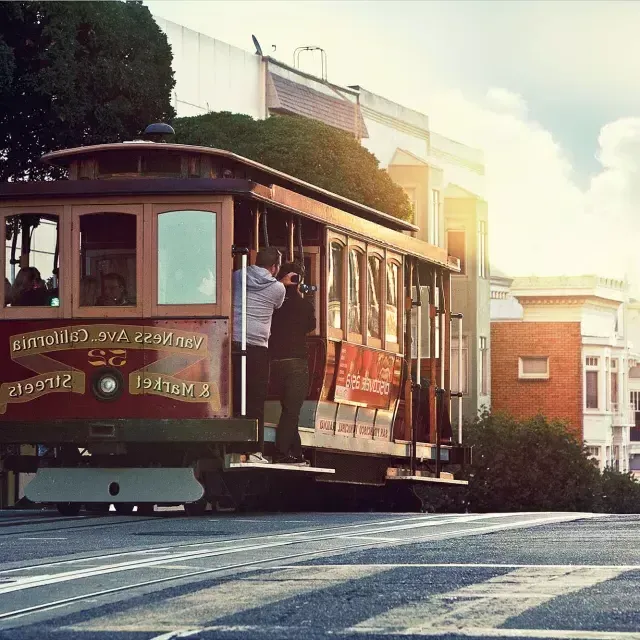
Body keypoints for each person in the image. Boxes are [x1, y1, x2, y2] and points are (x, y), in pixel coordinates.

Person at [232, 247, 296, 463]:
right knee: (255, 400)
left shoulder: (238, 276)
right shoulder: (278, 288)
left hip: (232, 342)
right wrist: (283, 282)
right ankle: (253, 451)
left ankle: (231, 445)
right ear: (275, 267)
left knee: (233, 395)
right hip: (257, 347)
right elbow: (277, 304)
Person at [269, 262, 316, 465]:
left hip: (274, 362)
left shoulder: (273, 302)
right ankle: (280, 452)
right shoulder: (304, 304)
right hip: (296, 363)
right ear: (298, 280)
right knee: (292, 409)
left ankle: (296, 451)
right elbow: (310, 326)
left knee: (290, 409)